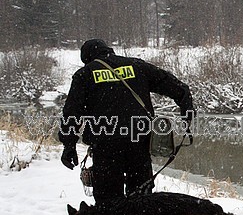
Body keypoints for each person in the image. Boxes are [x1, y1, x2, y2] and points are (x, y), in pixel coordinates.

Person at [59, 39, 194, 204]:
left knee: (108, 201)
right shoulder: (137, 66)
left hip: (105, 146)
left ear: (87, 58)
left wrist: (69, 145)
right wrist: (187, 113)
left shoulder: (85, 75)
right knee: (141, 200)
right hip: (139, 143)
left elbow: (72, 113)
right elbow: (179, 88)